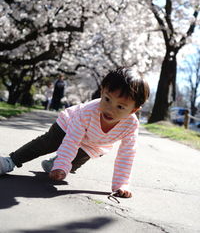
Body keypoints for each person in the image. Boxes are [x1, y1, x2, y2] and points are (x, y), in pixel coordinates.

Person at [0, 67, 150, 198]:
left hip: (94, 143)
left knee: (72, 164)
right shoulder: (88, 112)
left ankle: (53, 163)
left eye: (120, 107)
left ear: (133, 110)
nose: (110, 109)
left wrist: (121, 184)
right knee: (47, 143)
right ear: (102, 91)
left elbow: (127, 154)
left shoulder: (131, 125)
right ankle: (11, 160)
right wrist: (62, 165)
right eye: (107, 99)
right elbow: (72, 140)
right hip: (68, 126)